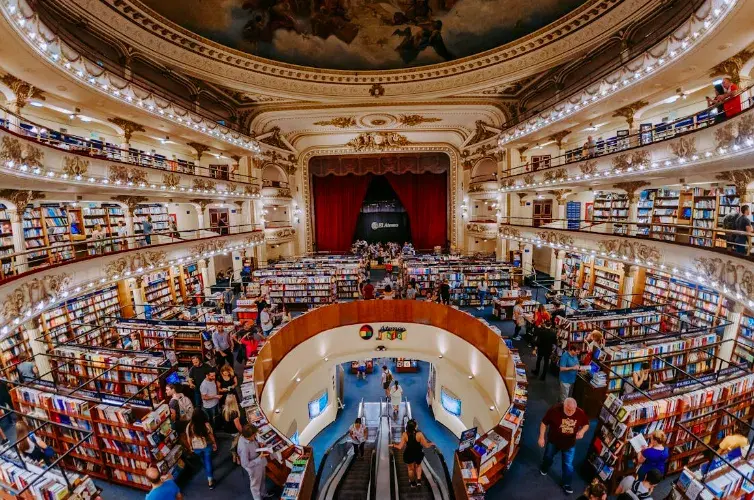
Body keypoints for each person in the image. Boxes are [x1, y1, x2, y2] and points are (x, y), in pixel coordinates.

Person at [538, 398, 590, 495]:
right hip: (554, 441)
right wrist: (541, 437)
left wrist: (582, 431)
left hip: (569, 444)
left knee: (568, 465)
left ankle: (566, 484)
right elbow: (544, 423)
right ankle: (544, 467)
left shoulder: (579, 412)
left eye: (572, 410)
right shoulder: (554, 410)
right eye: (568, 410)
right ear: (564, 406)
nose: (570, 412)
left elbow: (586, 424)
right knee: (548, 457)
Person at [390, 420, 435, 488]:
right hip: (418, 453)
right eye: (416, 424)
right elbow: (426, 445)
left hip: (409, 453)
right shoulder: (419, 434)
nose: (417, 425)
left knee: (410, 469)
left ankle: (413, 483)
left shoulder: (405, 434)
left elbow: (400, 447)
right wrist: (431, 443)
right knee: (418, 465)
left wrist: (393, 445)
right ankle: (419, 481)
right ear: (414, 427)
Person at [186, 410, 217, 489]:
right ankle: (210, 481)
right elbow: (211, 435)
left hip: (196, 448)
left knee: (202, 458)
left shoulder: (189, 426)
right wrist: (214, 443)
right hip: (206, 446)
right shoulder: (206, 425)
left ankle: (206, 467)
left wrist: (190, 447)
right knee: (208, 461)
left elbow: (188, 438)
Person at [238, 424, 268, 500]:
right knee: (255, 486)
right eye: (254, 435)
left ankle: (263, 494)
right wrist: (259, 458)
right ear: (250, 435)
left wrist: (258, 444)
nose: (255, 436)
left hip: (259, 463)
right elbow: (245, 464)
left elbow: (253, 443)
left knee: (262, 480)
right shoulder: (244, 447)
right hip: (254, 468)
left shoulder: (247, 437)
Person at [221, 394, 247, 463]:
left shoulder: (224, 410)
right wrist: (243, 433)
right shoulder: (234, 413)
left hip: (228, 432)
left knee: (233, 444)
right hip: (235, 432)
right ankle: (238, 458)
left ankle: (234, 456)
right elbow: (238, 426)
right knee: (237, 445)